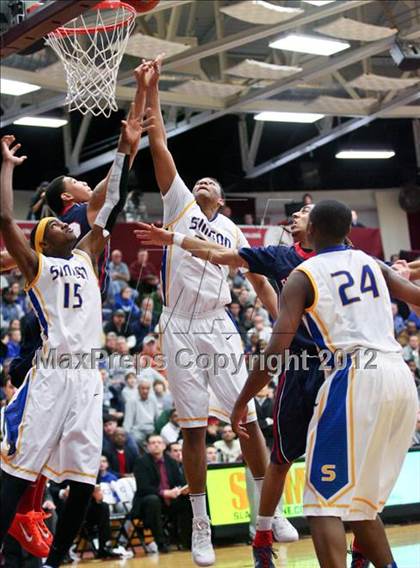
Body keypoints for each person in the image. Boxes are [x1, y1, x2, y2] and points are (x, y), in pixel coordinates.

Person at [133, 55, 279, 566]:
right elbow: (158, 144)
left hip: (219, 325)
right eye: (200, 182)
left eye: (212, 184)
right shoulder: (181, 207)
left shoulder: (235, 233)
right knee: (193, 428)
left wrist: (283, 321)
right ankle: (201, 524)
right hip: (178, 326)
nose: (203, 184)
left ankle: (267, 511)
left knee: (249, 421)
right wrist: (152, 91)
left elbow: (259, 281)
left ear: (225, 199)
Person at [230, 200, 419, 568]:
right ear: (348, 231)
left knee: (321, 504)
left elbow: (274, 352)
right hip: (400, 378)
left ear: (312, 231)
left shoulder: (303, 274)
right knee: (360, 505)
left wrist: (242, 400)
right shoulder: (370, 262)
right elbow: (414, 296)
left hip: (354, 376)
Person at [0, 106, 140, 566]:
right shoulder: (38, 267)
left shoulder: (83, 256)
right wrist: (5, 168)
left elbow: (113, 198)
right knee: (18, 470)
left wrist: (125, 150)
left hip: (87, 378)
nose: (67, 225)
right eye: (56, 225)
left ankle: (57, 560)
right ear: (42, 241)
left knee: (83, 478)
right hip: (51, 375)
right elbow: (6, 223)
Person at [131, 434, 192, 552]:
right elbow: (143, 487)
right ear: (148, 447)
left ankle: (187, 540)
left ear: (164, 446)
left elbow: (178, 481)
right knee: (153, 500)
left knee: (188, 500)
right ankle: (161, 543)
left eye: (159, 442)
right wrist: (164, 493)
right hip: (147, 502)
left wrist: (180, 489)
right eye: (153, 443)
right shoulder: (141, 462)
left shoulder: (171, 461)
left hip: (170, 500)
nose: (156, 445)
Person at [123, 380, 160, 447]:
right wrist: (126, 435)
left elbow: (157, 417)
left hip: (151, 429)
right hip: (137, 431)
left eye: (147, 388)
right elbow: (128, 420)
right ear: (138, 389)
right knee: (133, 440)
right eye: (143, 388)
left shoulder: (153, 399)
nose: (145, 391)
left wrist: (158, 431)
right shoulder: (131, 401)